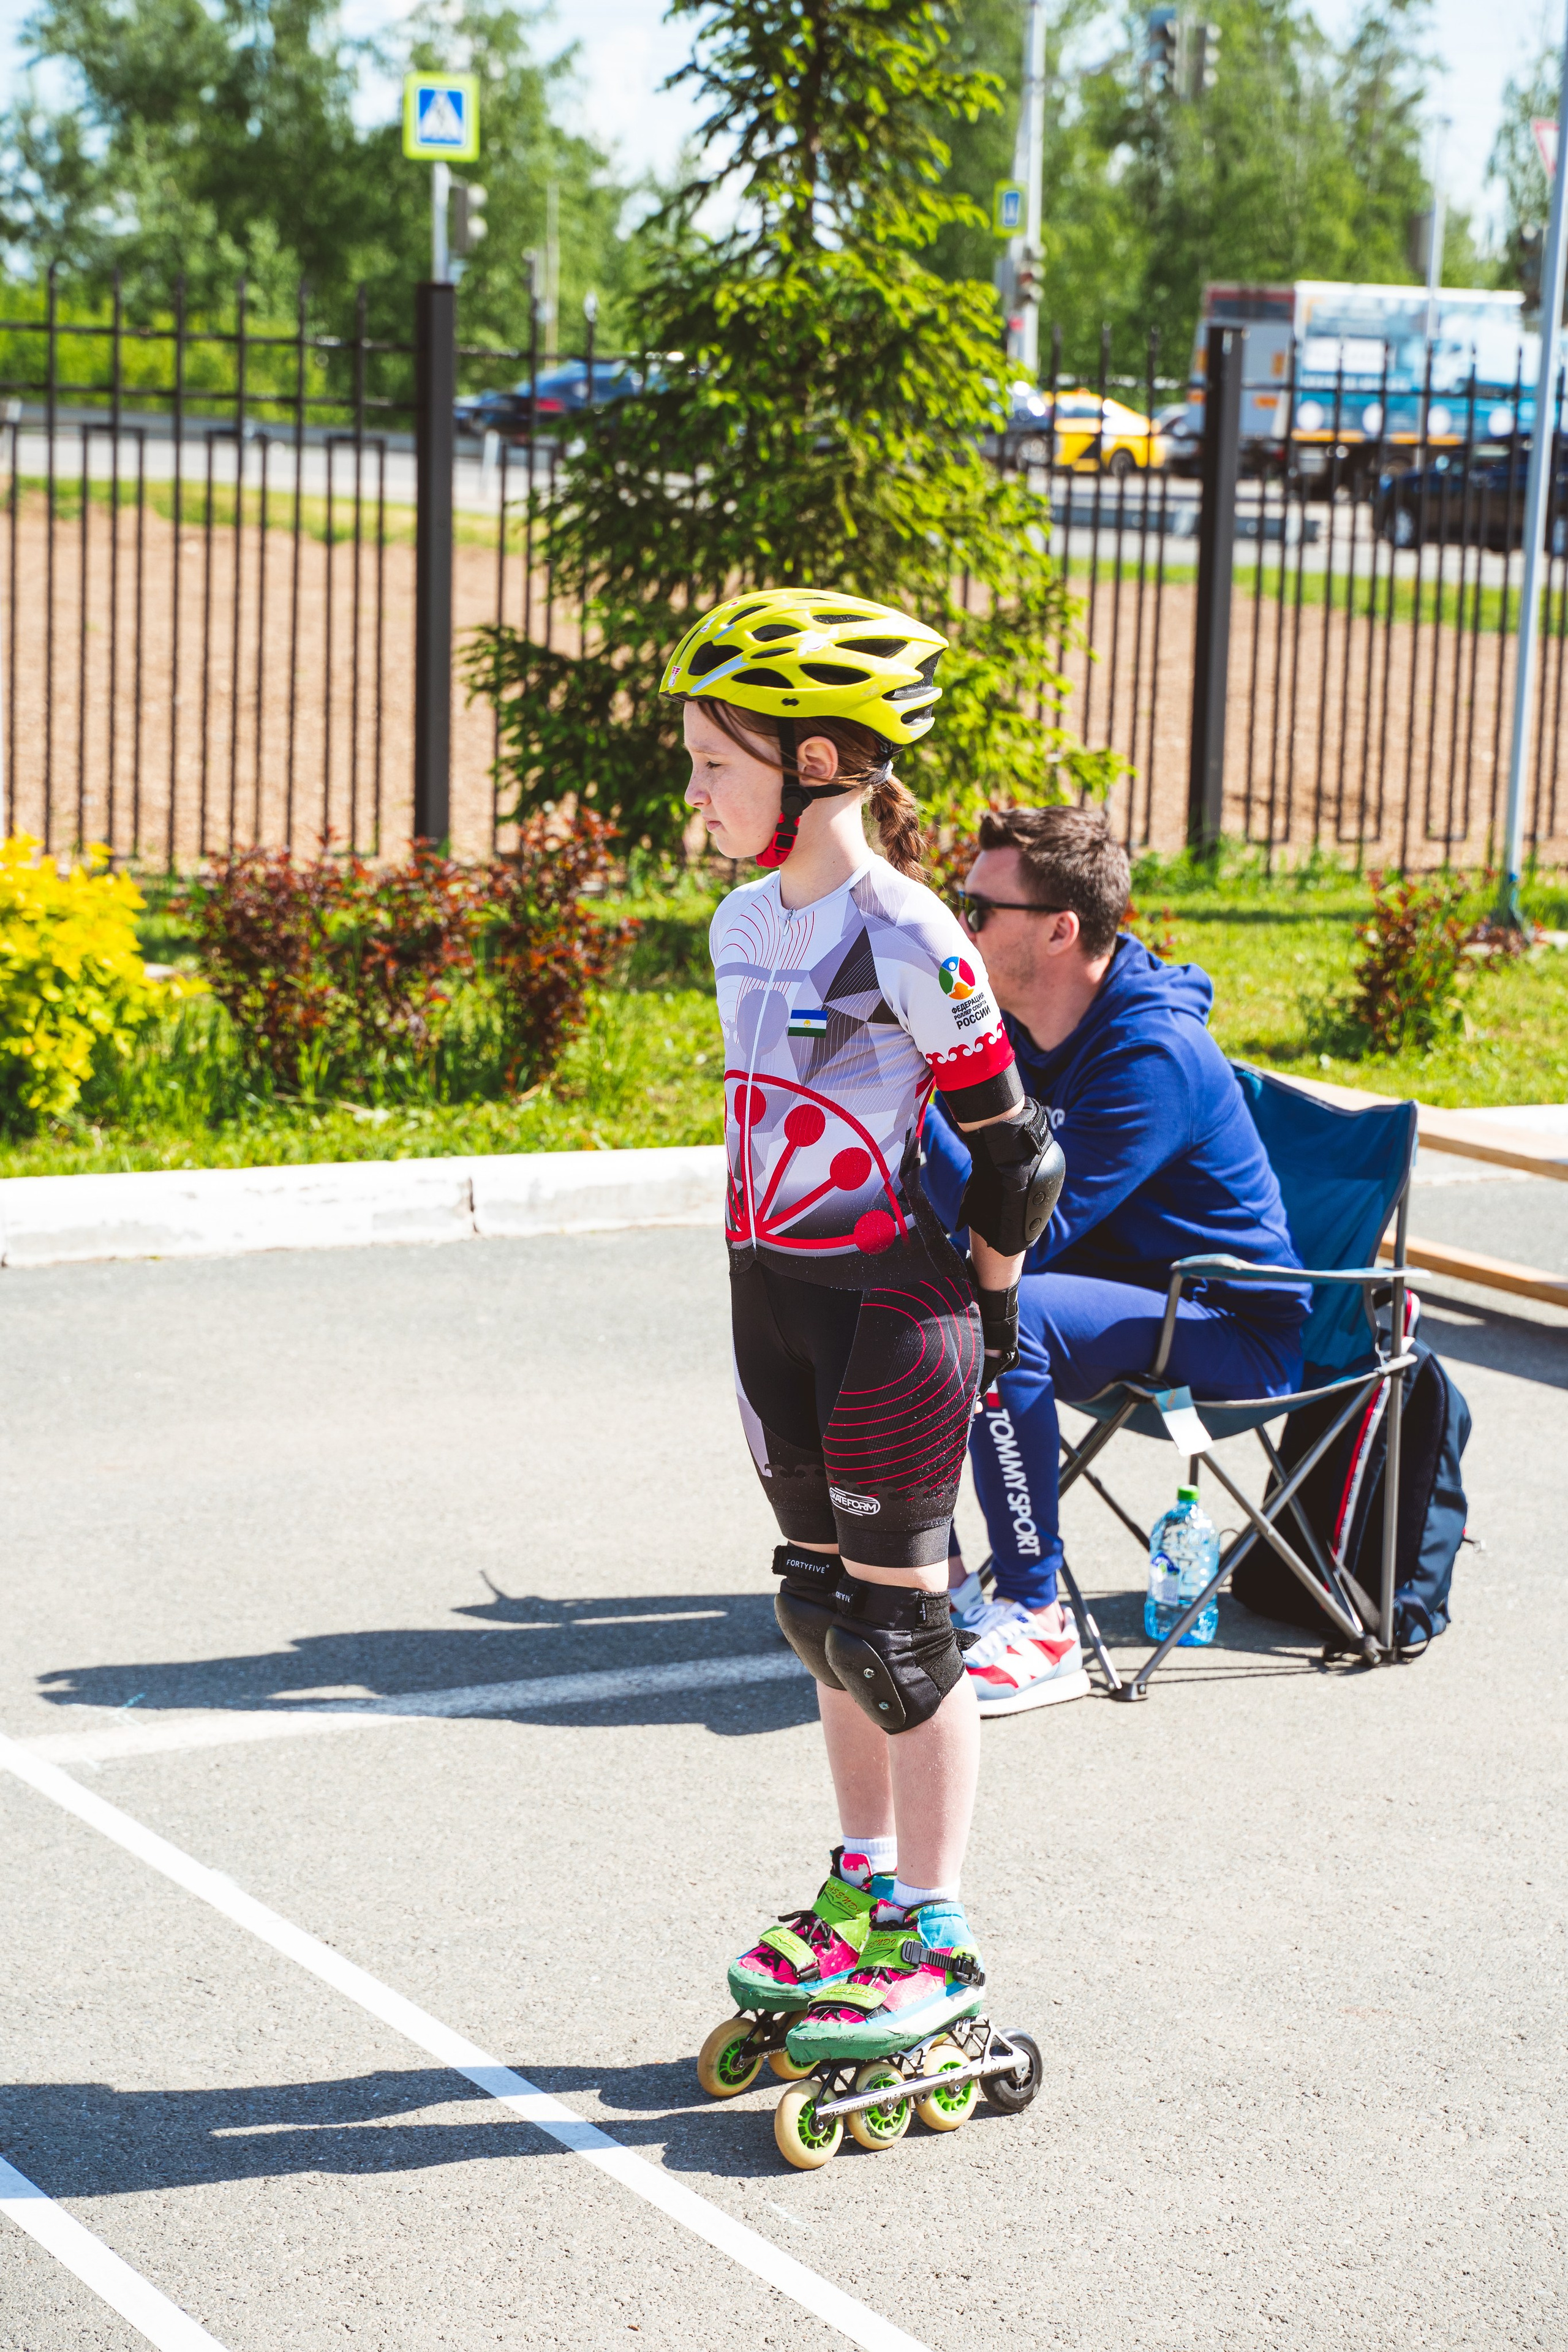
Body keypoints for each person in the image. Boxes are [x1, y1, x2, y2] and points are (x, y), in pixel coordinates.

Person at [662, 590, 1063, 2157]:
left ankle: (937, 1930)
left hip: (896, 1311)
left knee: (903, 1638)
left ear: (814, 759)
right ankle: (859, 1887)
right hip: (773, 1300)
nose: (692, 788)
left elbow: (1010, 1153)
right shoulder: (737, 924)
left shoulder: (909, 931)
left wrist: (995, 1316)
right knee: (820, 1617)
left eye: (713, 760)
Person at [922, 805, 1310, 1717]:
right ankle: (943, 1582)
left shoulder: (1152, 1053)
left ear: (1061, 930)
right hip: (1134, 1290)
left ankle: (1038, 1614)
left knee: (1001, 1316)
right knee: (911, 1289)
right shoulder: (1026, 1030)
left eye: (978, 911)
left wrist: (908, 1096)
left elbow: (1022, 1231)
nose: (960, 929)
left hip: (1229, 1323)